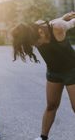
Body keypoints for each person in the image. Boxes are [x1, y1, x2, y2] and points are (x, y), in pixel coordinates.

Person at [11, 11, 75, 140]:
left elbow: (69, 24)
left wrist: (64, 20)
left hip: (72, 70)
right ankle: (43, 138)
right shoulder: (34, 30)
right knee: (51, 105)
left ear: (40, 32)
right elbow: (50, 23)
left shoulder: (58, 28)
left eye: (36, 42)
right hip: (53, 72)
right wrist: (62, 17)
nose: (36, 45)